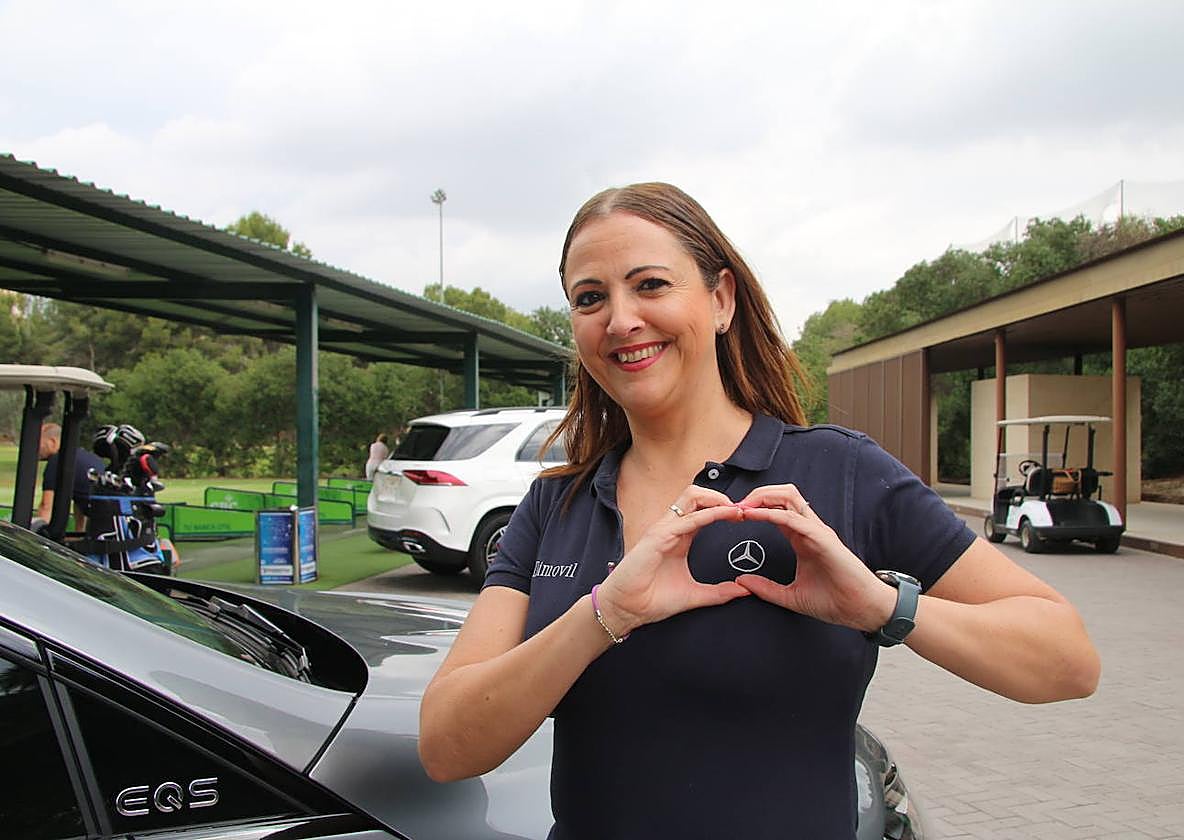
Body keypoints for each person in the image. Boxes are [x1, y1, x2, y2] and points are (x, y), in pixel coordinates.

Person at [419, 183, 1101, 838]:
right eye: (590, 297)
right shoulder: (553, 503)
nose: (621, 319)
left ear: (720, 300)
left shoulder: (842, 474)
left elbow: (1068, 661)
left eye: (650, 284)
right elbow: (447, 746)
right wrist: (604, 615)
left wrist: (879, 605)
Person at [37, 422, 106, 531]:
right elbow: (80, 498)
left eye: (38, 443)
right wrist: (78, 533)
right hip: (103, 521)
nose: (36, 448)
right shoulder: (87, 457)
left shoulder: (58, 461)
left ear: (52, 442)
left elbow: (46, 506)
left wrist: (36, 536)